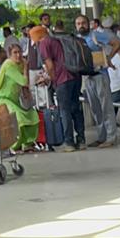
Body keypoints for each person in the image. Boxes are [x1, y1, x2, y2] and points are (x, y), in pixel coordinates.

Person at [29, 23, 84, 152]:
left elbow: (50, 64)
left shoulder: (44, 44)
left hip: (62, 79)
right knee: (75, 107)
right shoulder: (57, 40)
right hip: (75, 76)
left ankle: (69, 142)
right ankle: (81, 140)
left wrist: (52, 80)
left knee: (64, 110)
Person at [75, 14, 117, 147]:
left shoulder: (96, 35)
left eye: (83, 23)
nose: (81, 25)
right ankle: (101, 137)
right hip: (87, 77)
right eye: (78, 23)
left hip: (100, 75)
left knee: (106, 107)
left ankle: (110, 137)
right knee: (95, 109)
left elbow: (116, 43)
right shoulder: (77, 40)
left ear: (89, 24)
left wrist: (109, 58)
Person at [0, 44, 39, 152]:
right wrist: (26, 67)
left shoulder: (21, 64)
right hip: (3, 98)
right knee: (19, 117)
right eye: (15, 53)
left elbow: (25, 85)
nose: (18, 55)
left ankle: (27, 143)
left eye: (19, 52)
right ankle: (13, 145)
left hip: (15, 99)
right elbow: (24, 81)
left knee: (33, 115)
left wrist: (26, 93)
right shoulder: (8, 65)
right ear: (10, 54)